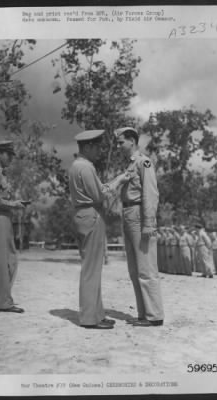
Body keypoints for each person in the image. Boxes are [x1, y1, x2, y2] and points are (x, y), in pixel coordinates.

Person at [69, 130, 130, 329]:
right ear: (87, 147)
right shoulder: (85, 167)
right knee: (91, 270)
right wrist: (119, 180)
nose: (99, 151)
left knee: (93, 268)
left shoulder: (77, 166)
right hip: (91, 215)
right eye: (96, 147)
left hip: (84, 214)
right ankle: (89, 318)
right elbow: (98, 195)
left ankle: (97, 313)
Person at [115, 127, 164, 327]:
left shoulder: (144, 162)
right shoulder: (130, 164)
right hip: (128, 214)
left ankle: (154, 316)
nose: (119, 146)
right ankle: (144, 313)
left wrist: (148, 223)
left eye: (121, 142)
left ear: (132, 141)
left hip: (139, 215)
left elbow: (151, 194)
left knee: (146, 267)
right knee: (135, 269)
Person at [0, 141, 27, 313]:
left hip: (4, 219)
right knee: (3, 262)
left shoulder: (1, 173)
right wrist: (14, 204)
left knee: (9, 261)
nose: (10, 158)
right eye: (8, 154)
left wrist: (13, 205)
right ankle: (3, 302)